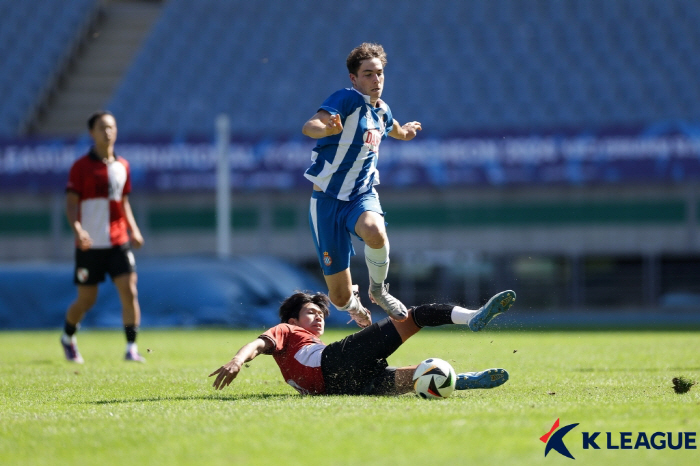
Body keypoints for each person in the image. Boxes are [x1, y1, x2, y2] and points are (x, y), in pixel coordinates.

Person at [301, 42, 422, 327]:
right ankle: (354, 307)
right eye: (368, 74)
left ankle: (378, 291)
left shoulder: (382, 110)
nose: (376, 79)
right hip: (327, 202)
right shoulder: (346, 99)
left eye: (379, 73)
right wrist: (327, 128)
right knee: (339, 297)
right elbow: (310, 126)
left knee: (374, 231)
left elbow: (392, 126)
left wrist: (404, 133)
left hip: (360, 195)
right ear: (354, 79)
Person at [210, 290, 516, 396]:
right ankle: (472, 316)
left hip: (342, 385)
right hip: (337, 363)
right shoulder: (286, 332)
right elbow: (257, 344)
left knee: (419, 377)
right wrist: (238, 360)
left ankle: (460, 380)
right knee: (414, 316)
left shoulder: (307, 344)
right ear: (292, 320)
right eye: (310, 313)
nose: (318, 319)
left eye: (321, 314)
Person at [60, 111, 146, 364]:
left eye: (111, 127)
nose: (107, 132)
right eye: (101, 128)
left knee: (129, 291)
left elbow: (123, 202)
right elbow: (71, 204)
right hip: (90, 245)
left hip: (118, 241)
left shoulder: (123, 166)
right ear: (92, 133)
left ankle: (131, 347)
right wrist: (77, 230)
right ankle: (67, 337)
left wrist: (134, 229)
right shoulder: (80, 167)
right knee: (87, 300)